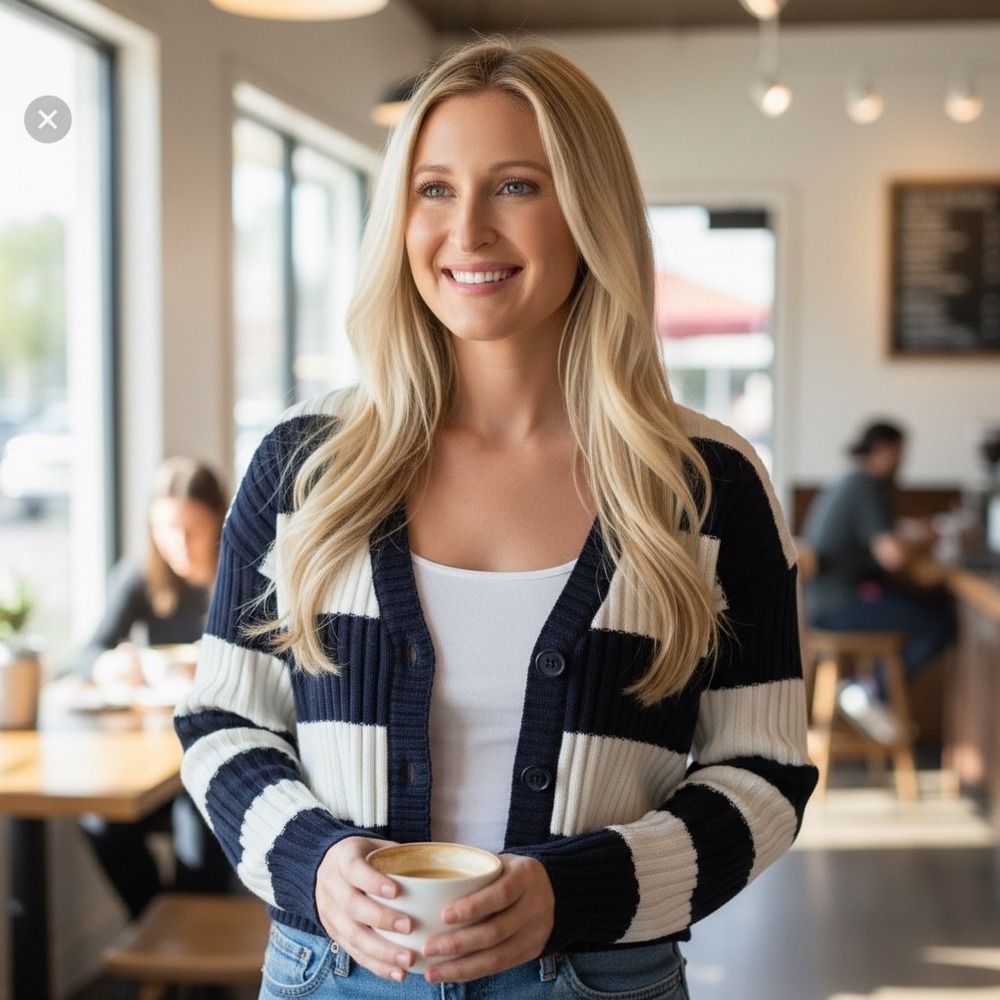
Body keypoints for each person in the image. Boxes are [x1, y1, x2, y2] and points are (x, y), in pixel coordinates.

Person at [175, 37, 817, 999]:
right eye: (433, 189)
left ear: (589, 211)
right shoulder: (304, 466)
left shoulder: (708, 482)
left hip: (599, 980)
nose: (467, 229)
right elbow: (224, 720)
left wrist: (576, 892)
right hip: (330, 975)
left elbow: (764, 772)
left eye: (516, 186)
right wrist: (313, 860)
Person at [76, 456, 233, 918]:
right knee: (101, 818)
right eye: (166, 530)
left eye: (192, 530)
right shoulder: (142, 573)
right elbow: (89, 653)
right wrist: (111, 665)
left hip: (217, 742)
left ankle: (190, 937)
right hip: (156, 746)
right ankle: (156, 926)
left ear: (219, 521)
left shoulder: (243, 574)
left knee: (199, 817)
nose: (178, 545)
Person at [802, 419, 957, 743]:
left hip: (824, 604)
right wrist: (922, 537)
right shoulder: (865, 485)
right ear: (884, 450)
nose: (903, 461)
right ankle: (868, 692)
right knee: (939, 621)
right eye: (901, 453)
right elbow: (892, 555)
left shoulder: (850, 480)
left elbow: (881, 538)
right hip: (840, 606)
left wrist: (910, 534)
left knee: (933, 606)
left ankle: (868, 690)